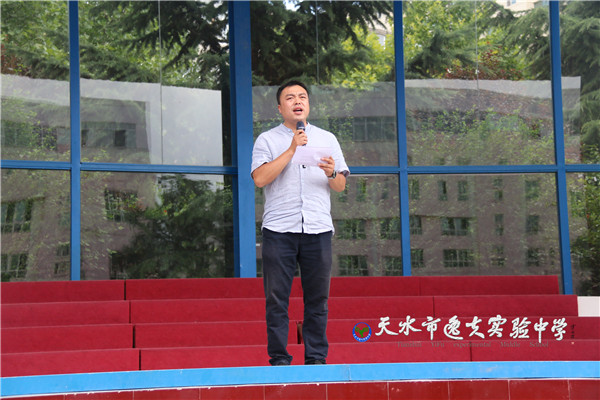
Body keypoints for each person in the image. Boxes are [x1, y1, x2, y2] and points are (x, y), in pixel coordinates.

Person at [251, 80, 349, 366]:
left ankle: (316, 358)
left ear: (308, 104)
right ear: (280, 107)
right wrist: (292, 149)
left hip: (318, 229)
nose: (297, 101)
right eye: (290, 97)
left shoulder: (328, 138)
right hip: (279, 230)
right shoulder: (267, 140)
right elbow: (260, 179)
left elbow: (340, 185)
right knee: (277, 298)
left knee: (317, 299)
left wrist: (331, 173)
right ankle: (279, 358)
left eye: (302, 97)